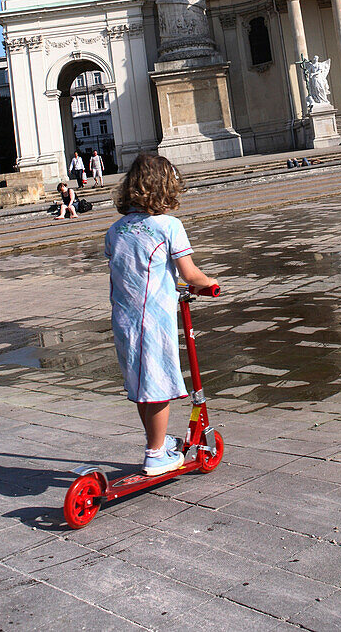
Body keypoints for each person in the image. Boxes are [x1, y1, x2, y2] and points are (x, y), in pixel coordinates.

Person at [106, 153, 217, 477]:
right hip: (154, 319)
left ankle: (156, 441)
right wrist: (209, 283)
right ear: (165, 189)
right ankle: (155, 454)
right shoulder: (169, 226)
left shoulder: (115, 231)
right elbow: (189, 273)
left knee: (142, 383)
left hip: (124, 319)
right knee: (156, 382)